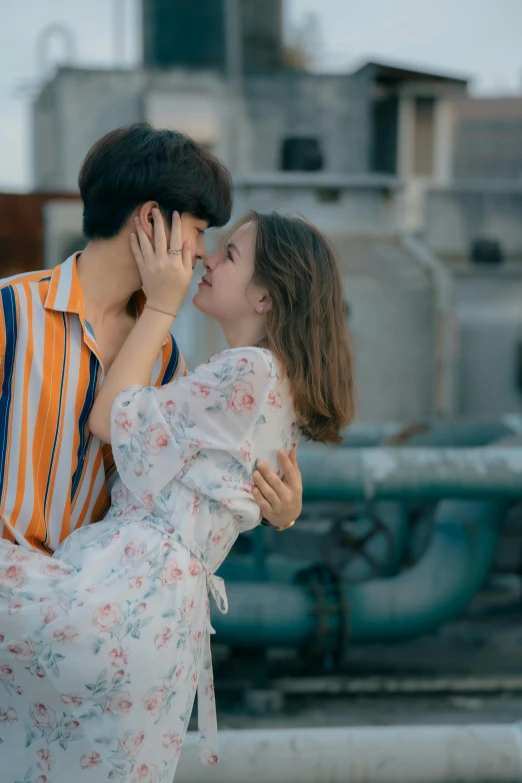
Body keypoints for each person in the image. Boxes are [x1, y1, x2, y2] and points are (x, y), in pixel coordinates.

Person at [0, 207, 354, 782]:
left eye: (230, 255)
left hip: (120, 598)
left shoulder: (248, 371)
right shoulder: (265, 382)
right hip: (163, 632)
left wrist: (162, 304)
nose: (206, 259)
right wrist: (283, 517)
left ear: (266, 296)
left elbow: (111, 421)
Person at [0, 123, 301, 557]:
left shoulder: (165, 359)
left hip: (88, 610)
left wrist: (283, 509)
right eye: (198, 230)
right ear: (151, 219)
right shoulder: (11, 313)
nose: (201, 253)